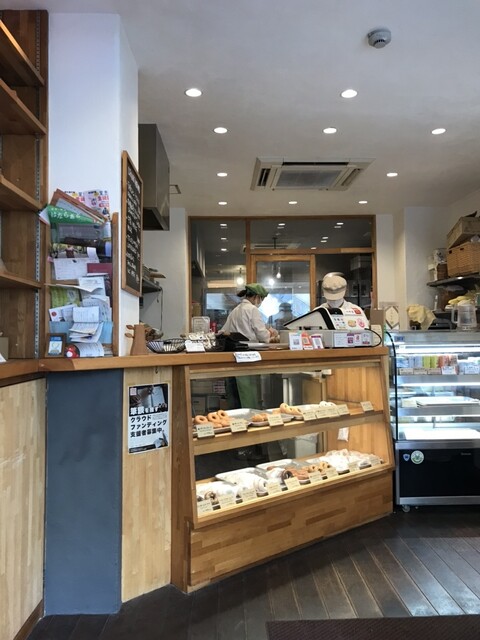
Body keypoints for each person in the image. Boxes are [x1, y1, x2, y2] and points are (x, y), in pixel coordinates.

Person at [220, 283, 278, 461]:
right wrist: (271, 334)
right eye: (261, 299)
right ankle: (253, 446)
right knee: (249, 403)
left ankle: (238, 446)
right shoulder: (252, 310)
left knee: (235, 403)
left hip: (234, 359)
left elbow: (223, 331)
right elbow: (263, 336)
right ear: (257, 297)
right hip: (249, 358)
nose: (260, 302)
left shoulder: (235, 310)